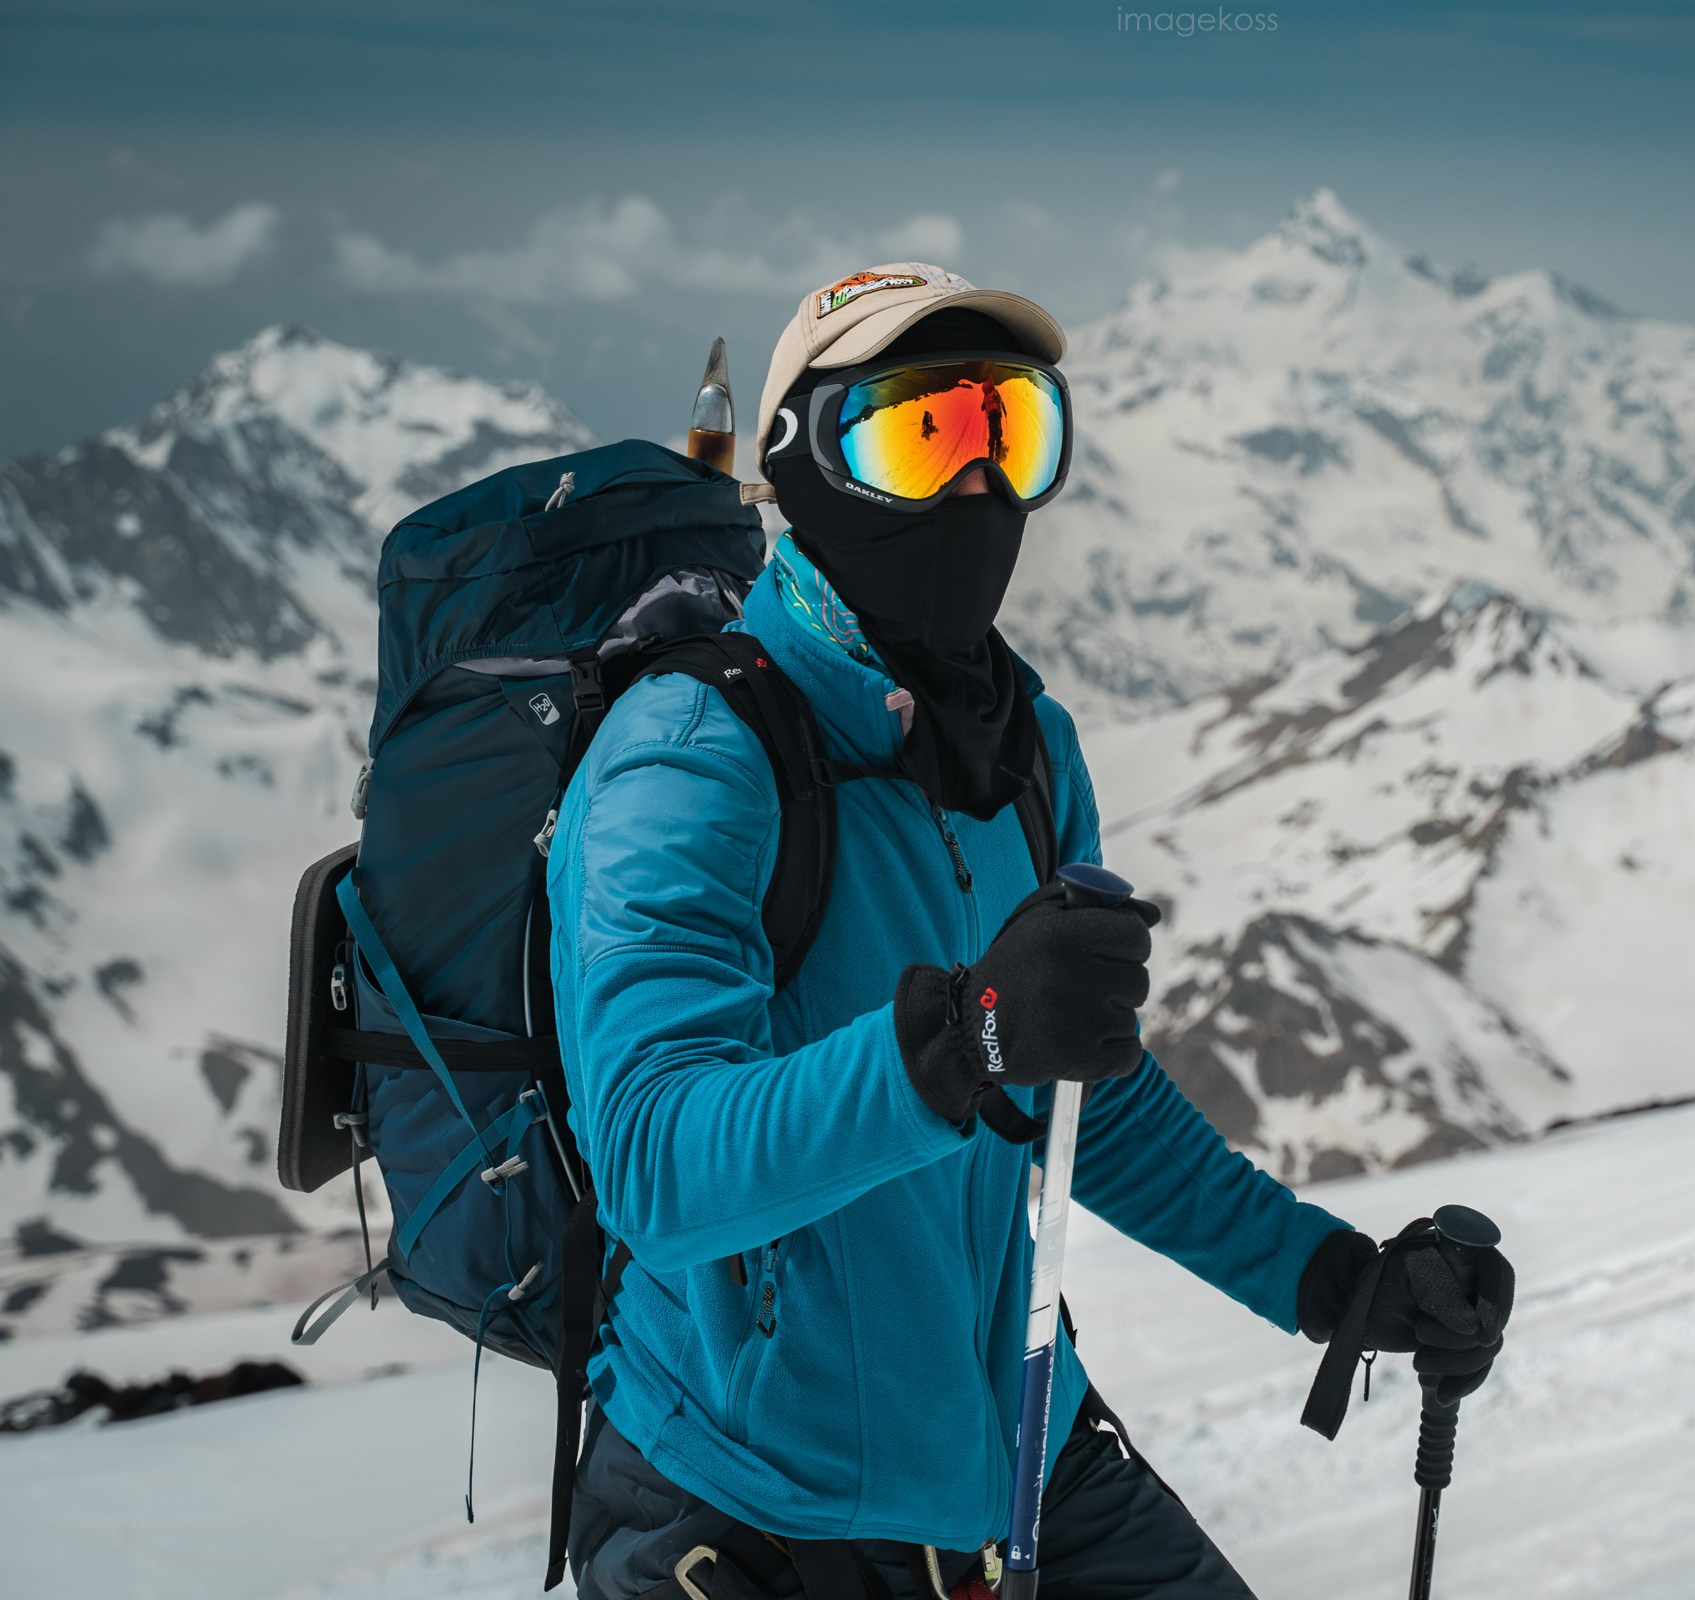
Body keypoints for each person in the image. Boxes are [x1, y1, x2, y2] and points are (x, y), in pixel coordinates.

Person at [548, 261, 1514, 1600]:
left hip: (1017, 1470)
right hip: (757, 1513)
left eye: (1012, 430)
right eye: (918, 435)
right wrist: (956, 1047)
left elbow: (1077, 1099)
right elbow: (653, 1165)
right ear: (800, 468)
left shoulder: (1027, 750)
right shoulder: (695, 752)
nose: (977, 487)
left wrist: (1335, 1280)